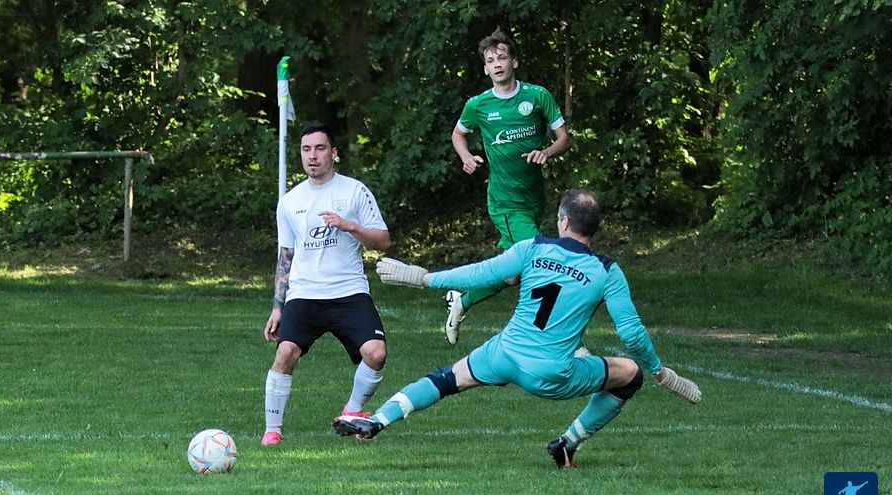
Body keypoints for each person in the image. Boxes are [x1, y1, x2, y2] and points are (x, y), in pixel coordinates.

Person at [333, 189, 701, 468]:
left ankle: (378, 421)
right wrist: (659, 371)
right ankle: (568, 443)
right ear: (594, 227)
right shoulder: (607, 271)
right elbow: (632, 334)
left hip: (504, 352)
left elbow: (483, 272)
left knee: (445, 379)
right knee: (631, 375)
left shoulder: (533, 248)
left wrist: (426, 278)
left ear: (563, 221)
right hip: (550, 372)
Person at [261, 123, 391, 446]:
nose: (312, 156)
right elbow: (286, 257)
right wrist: (277, 306)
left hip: (349, 291)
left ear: (333, 153)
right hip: (305, 294)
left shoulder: (354, 191)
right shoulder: (290, 201)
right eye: (306, 149)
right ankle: (272, 431)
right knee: (285, 353)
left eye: (320, 148)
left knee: (376, 353)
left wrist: (349, 226)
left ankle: (353, 411)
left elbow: (383, 240)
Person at [446, 29, 573, 345]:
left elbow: (564, 138)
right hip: (505, 201)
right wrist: (466, 157)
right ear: (485, 69)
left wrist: (546, 152)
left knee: (511, 274)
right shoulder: (478, 105)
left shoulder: (538, 96)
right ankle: (562, 338)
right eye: (491, 60)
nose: (497, 64)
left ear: (514, 62)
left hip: (534, 197)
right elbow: (458, 134)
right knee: (539, 259)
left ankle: (462, 300)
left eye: (502, 57)